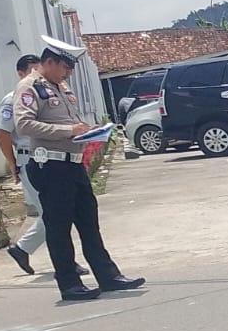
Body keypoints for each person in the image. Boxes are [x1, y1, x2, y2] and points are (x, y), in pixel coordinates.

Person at [14, 35, 145, 301]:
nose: (68, 74)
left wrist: (90, 131)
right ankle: (70, 284)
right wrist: (67, 131)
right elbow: (24, 125)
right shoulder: (29, 87)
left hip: (73, 165)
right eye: (65, 67)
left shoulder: (60, 87)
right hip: (50, 165)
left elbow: (72, 123)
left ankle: (108, 277)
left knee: (89, 222)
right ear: (48, 62)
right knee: (59, 227)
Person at [0, 54, 84, 278]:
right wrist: (12, 162)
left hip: (55, 159)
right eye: (31, 70)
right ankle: (59, 262)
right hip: (32, 159)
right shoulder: (14, 97)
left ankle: (26, 250)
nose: (37, 75)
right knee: (52, 214)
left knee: (56, 213)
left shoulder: (53, 90)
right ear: (21, 73)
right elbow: (3, 133)